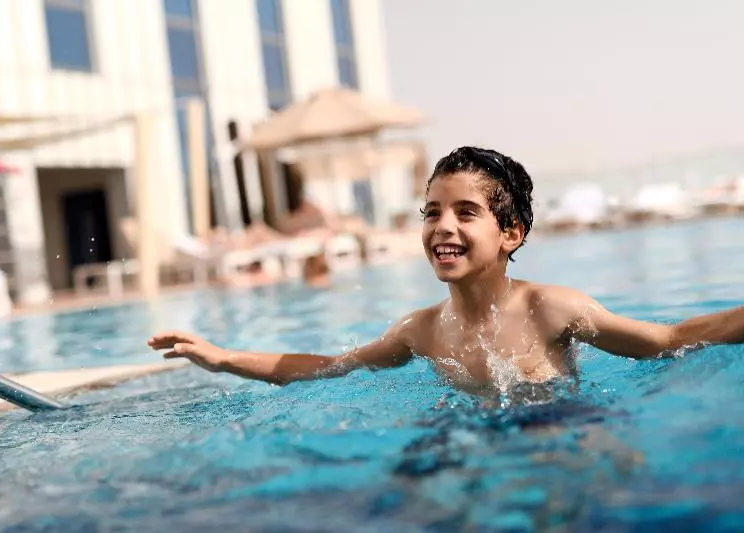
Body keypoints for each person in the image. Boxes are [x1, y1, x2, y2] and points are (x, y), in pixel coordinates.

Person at [148, 146, 744, 395]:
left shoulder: (550, 309)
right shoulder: (422, 330)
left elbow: (666, 339)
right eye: (432, 212)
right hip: (465, 445)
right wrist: (224, 358)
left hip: (556, 435)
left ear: (511, 234)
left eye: (466, 212)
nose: (443, 226)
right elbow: (328, 368)